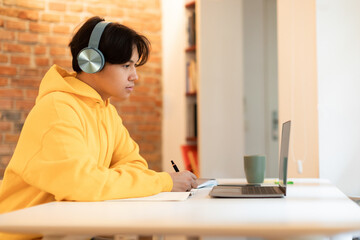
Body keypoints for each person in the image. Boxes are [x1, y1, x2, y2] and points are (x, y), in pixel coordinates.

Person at [0, 16, 198, 239]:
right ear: (91, 62)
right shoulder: (58, 109)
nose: (135, 76)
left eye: (134, 66)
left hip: (69, 230)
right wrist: (164, 181)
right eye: (126, 66)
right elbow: (82, 184)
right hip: (24, 235)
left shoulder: (106, 111)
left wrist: (102, 181)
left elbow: (135, 166)